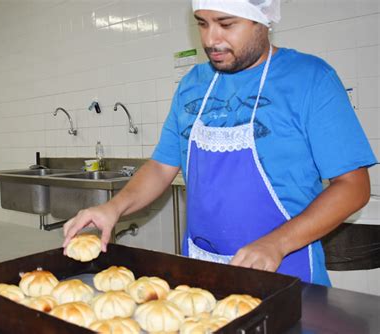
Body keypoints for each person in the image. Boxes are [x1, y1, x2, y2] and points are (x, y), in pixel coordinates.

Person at [63, 0, 377, 285]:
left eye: (226, 24)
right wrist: (114, 208)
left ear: (262, 19)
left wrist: (276, 243)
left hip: (286, 274)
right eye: (202, 23)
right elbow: (161, 166)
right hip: (204, 272)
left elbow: (353, 186)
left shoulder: (311, 79)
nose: (211, 39)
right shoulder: (192, 84)